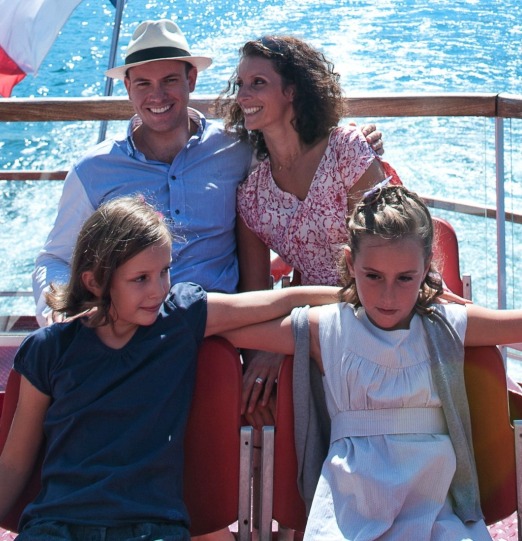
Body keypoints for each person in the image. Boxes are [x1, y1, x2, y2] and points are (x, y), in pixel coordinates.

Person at [221, 184, 522, 540]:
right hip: (350, 516)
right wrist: (312, 295)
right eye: (372, 277)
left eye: (405, 278)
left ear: (427, 270)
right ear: (350, 266)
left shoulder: (445, 326)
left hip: (435, 513)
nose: (388, 296)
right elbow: (230, 327)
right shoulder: (327, 327)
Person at [1, 196, 340, 541]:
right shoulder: (48, 349)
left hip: (151, 527)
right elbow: (15, 462)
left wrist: (349, 296)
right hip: (57, 526)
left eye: (164, 272)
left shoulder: (178, 319)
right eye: (141, 279)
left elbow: (273, 303)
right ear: (94, 281)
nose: (158, 290)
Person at [31, 20, 382, 326]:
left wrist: (352, 142)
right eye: (142, 84)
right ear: (127, 88)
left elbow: (301, 153)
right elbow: (55, 259)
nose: (157, 95)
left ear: (192, 80)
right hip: (132, 332)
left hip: (221, 329)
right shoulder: (92, 171)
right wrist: (58, 314)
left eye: (170, 80)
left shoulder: (237, 152)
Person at [216, 35, 387, 420]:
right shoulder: (252, 197)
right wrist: (269, 350)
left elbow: (385, 257)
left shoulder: (346, 149)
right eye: (240, 85)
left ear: (292, 90)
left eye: (258, 83)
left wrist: (289, 339)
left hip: (379, 305)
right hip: (311, 321)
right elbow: (256, 297)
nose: (243, 95)